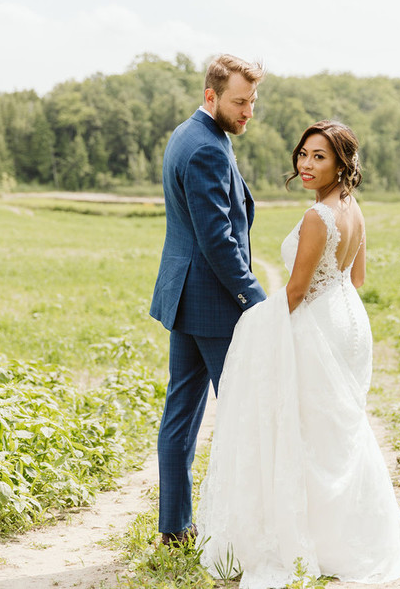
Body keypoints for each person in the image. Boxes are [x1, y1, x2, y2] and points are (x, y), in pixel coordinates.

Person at [198, 120, 400, 588]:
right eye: (303, 154)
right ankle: (341, 538)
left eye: (319, 156)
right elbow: (356, 278)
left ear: (342, 163)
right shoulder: (353, 209)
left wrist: (254, 322)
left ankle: (311, 541)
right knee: (336, 432)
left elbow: (296, 291)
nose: (306, 164)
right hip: (351, 323)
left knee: (308, 432)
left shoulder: (319, 217)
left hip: (319, 323)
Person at [150, 54, 267, 546]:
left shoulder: (188, 134)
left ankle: (176, 528)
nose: (247, 112)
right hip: (214, 304)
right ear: (211, 96)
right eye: (239, 102)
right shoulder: (206, 149)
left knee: (180, 414)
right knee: (244, 416)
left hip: (186, 298)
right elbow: (217, 239)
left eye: (253, 102)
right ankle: (239, 530)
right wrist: (256, 300)